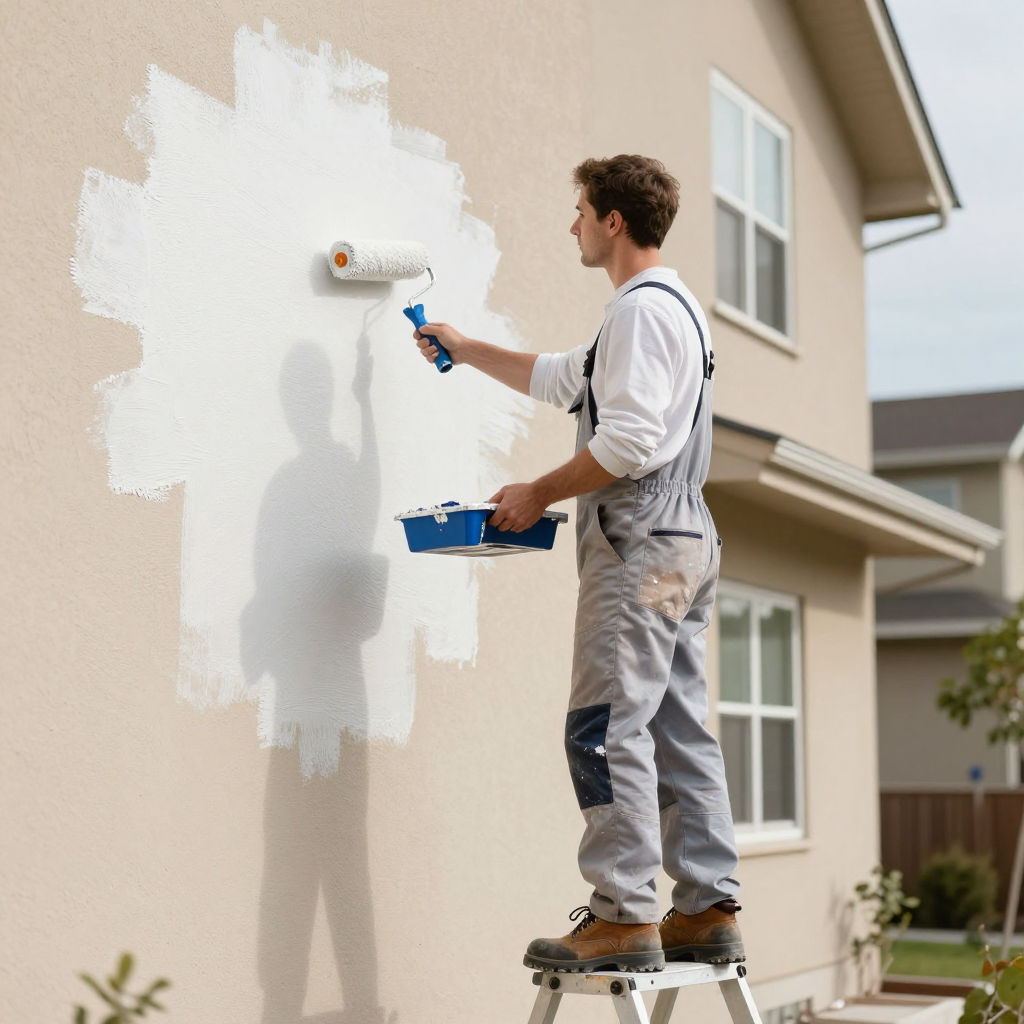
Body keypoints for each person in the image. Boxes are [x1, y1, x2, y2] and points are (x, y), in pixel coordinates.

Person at [412, 155, 743, 973]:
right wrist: (463, 348)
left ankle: (623, 915)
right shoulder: (674, 311)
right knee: (673, 721)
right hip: (683, 542)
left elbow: (626, 442)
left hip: (640, 541)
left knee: (601, 730)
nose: (573, 226)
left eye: (581, 212)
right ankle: (705, 907)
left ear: (613, 222)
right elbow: (563, 378)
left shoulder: (636, 313)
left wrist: (538, 491)